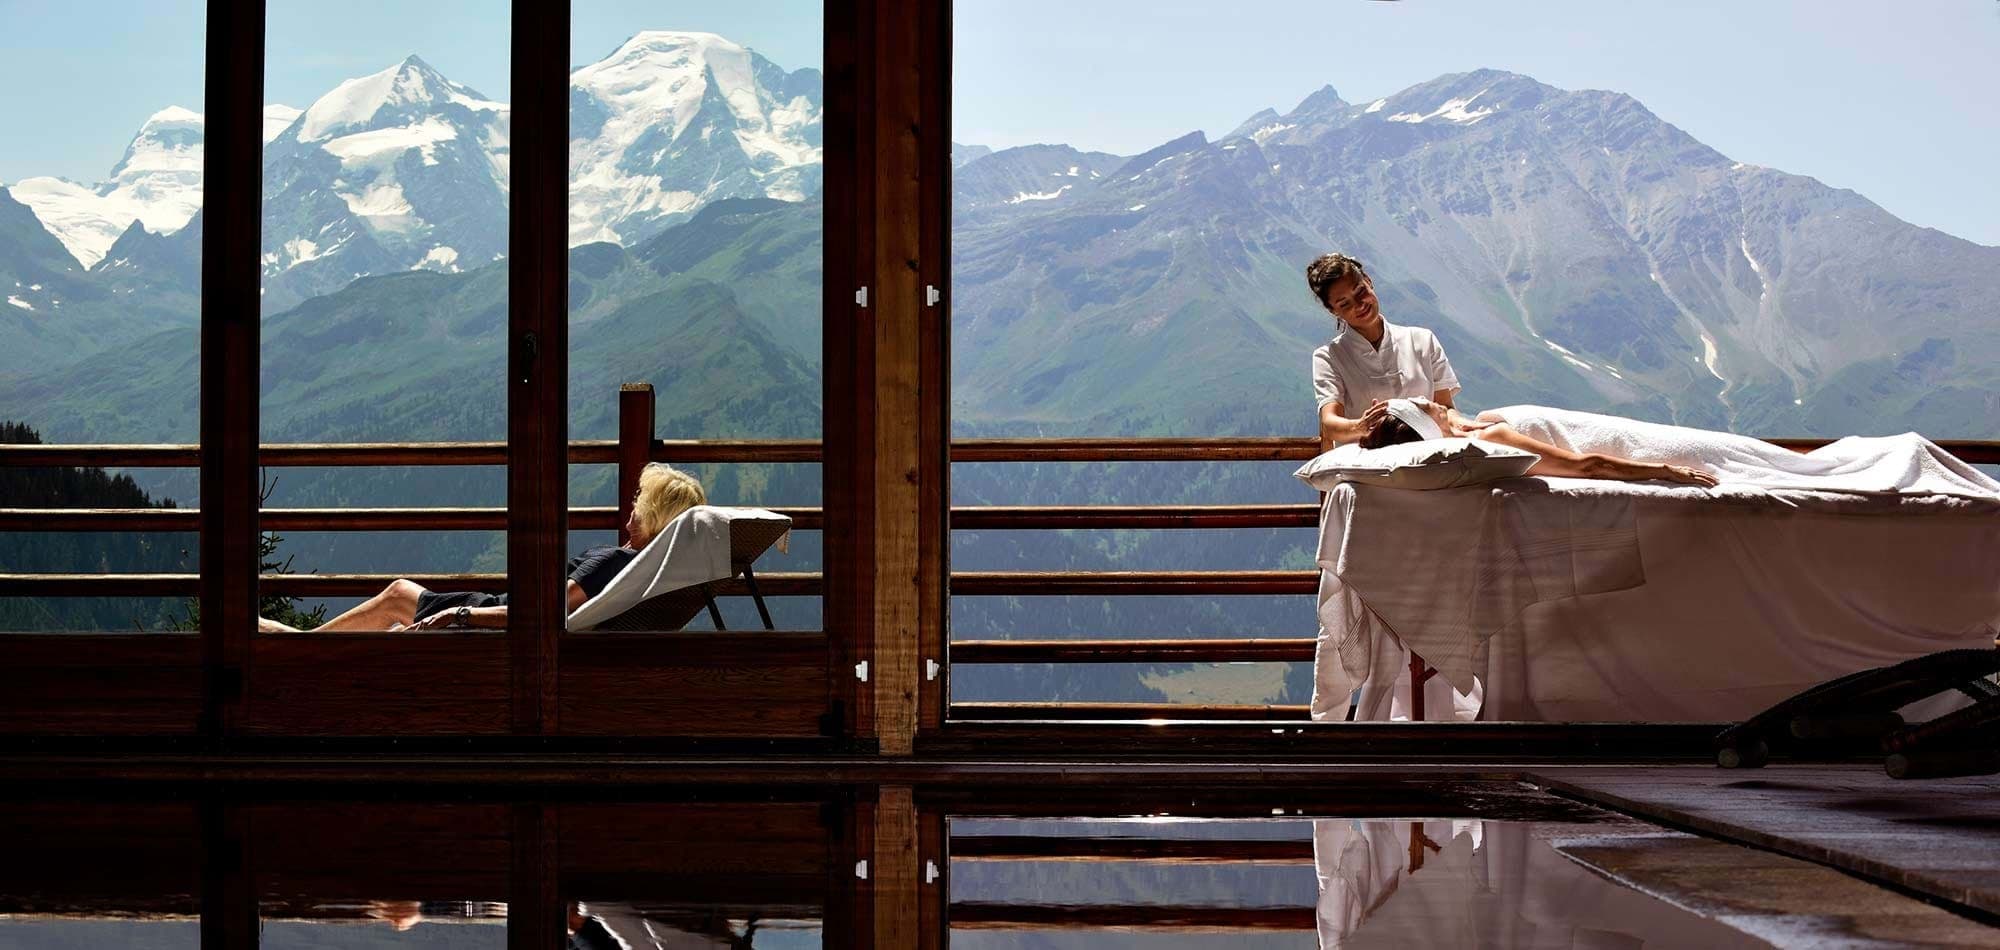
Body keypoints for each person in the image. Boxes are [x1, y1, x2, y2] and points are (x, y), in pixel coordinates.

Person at [257, 462, 707, 632]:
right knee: (397, 607)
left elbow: (544, 613)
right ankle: (302, 642)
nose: (631, 505)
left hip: (491, 619)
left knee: (397, 594)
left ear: (654, 515)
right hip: (497, 619)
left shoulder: (612, 561)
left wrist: (461, 615)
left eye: (640, 499)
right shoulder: (647, 573)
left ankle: (303, 645)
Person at [1306, 252, 1466, 451]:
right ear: (1333, 311)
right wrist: (1361, 426)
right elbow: (1330, 424)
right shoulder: (1329, 357)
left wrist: (1470, 427)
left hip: (1428, 456)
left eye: (1360, 291)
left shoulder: (1422, 340)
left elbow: (1446, 408)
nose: (1359, 305)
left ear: (1368, 281)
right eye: (1345, 303)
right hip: (1368, 461)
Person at [1364, 397, 1719, 486]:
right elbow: (1587, 466)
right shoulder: (1491, 437)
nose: (1427, 399)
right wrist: (1664, 470)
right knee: (1707, 453)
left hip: (1590, 427)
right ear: (1427, 425)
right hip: (1605, 440)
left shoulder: (1459, 428)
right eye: (1423, 406)